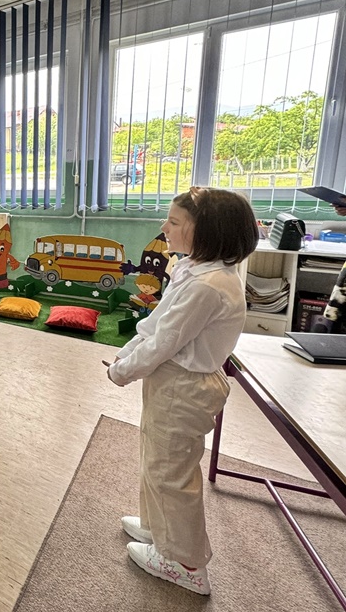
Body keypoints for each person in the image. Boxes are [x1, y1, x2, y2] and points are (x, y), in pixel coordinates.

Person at [106, 187, 259, 596]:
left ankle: (186, 564)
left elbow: (165, 341)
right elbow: (157, 322)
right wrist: (126, 353)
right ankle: (160, 530)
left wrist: (124, 371)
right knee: (156, 457)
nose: (164, 228)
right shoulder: (192, 268)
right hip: (171, 381)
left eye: (174, 222)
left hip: (185, 386)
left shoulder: (208, 285)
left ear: (206, 232)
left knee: (171, 472)